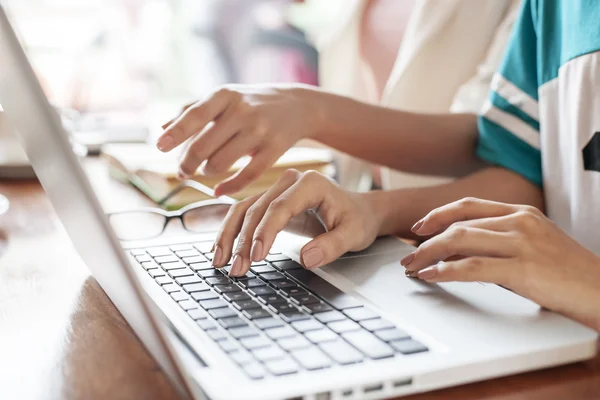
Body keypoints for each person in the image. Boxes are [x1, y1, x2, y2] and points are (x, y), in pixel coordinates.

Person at [156, 0, 600, 332]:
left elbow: (484, 146)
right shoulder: (553, 9)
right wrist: (372, 210)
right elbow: (523, 163)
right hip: (543, 323)